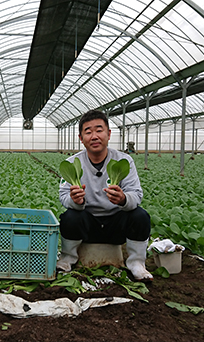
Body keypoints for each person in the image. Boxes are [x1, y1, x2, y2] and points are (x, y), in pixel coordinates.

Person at [57, 109, 153, 281]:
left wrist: (123, 199)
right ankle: (67, 259)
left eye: (99, 130)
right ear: (81, 138)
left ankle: (137, 264)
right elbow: (63, 196)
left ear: (108, 134)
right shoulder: (72, 163)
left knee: (140, 216)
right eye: (88, 132)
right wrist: (75, 201)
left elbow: (136, 194)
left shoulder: (124, 160)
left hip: (116, 224)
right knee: (69, 217)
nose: (94, 136)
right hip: (87, 225)